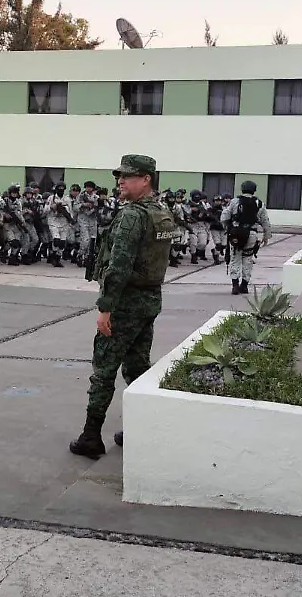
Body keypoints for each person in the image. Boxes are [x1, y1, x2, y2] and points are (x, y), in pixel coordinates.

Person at [71, 154, 176, 459]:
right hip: (148, 301)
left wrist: (106, 307)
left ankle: (91, 437)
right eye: (119, 177)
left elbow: (119, 264)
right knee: (137, 367)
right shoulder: (160, 211)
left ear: (146, 179)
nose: (120, 182)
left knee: (103, 370)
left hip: (125, 303)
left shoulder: (133, 215)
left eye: (127, 177)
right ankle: (141, 427)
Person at [220, 181, 271, 294]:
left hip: (236, 234)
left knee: (235, 258)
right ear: (254, 190)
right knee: (248, 259)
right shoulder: (259, 203)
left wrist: (228, 229)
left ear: (242, 189)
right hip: (251, 234)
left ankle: (235, 285)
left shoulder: (234, 201)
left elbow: (224, 217)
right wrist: (266, 236)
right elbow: (265, 221)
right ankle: (244, 285)